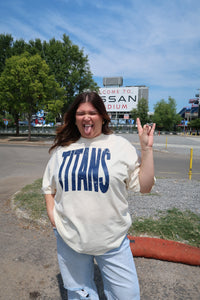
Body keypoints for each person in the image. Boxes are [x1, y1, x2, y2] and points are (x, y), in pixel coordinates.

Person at [42, 91, 155, 300]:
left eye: (92, 112)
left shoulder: (119, 146)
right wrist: (53, 218)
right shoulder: (63, 150)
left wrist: (146, 150)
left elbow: (145, 187)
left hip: (113, 241)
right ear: (74, 118)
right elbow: (49, 187)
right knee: (79, 295)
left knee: (127, 296)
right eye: (81, 113)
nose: (86, 117)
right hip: (70, 240)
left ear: (103, 117)